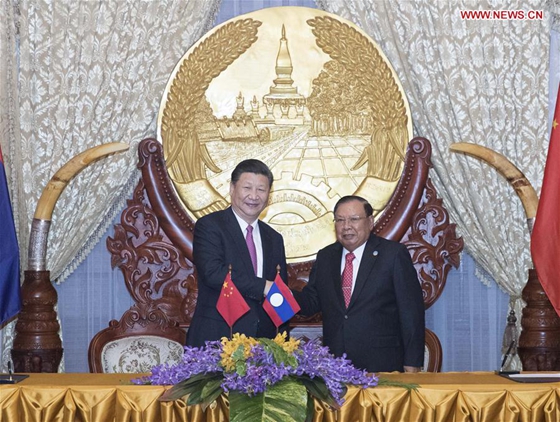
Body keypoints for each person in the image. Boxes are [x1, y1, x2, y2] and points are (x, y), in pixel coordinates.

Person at [293, 195, 425, 373]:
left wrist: (412, 363)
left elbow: (411, 313)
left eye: (354, 219)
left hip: (383, 365)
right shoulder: (326, 257)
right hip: (336, 366)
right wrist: (276, 293)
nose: (346, 226)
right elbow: (311, 303)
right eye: (340, 220)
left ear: (370, 222)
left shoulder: (392, 255)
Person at [186, 159, 288, 346]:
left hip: (264, 344)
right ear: (232, 189)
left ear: (269, 195)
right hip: (218, 338)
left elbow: (278, 290)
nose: (254, 196)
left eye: (261, 190)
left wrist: (282, 343)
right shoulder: (210, 226)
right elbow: (213, 273)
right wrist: (263, 286)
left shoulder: (274, 238)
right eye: (247, 187)